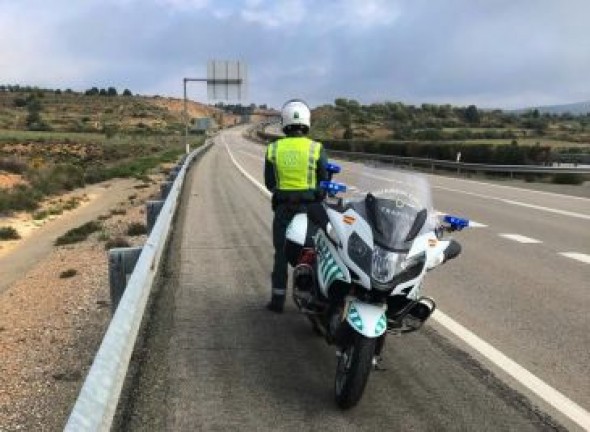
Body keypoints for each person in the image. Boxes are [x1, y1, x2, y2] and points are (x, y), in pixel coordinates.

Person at [264, 99, 329, 313]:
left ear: (284, 122)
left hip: (284, 210)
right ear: (306, 123)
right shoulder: (316, 148)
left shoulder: (273, 149)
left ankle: (277, 301)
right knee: (316, 253)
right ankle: (317, 297)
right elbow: (324, 181)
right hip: (311, 209)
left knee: (282, 255)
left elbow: (270, 183)